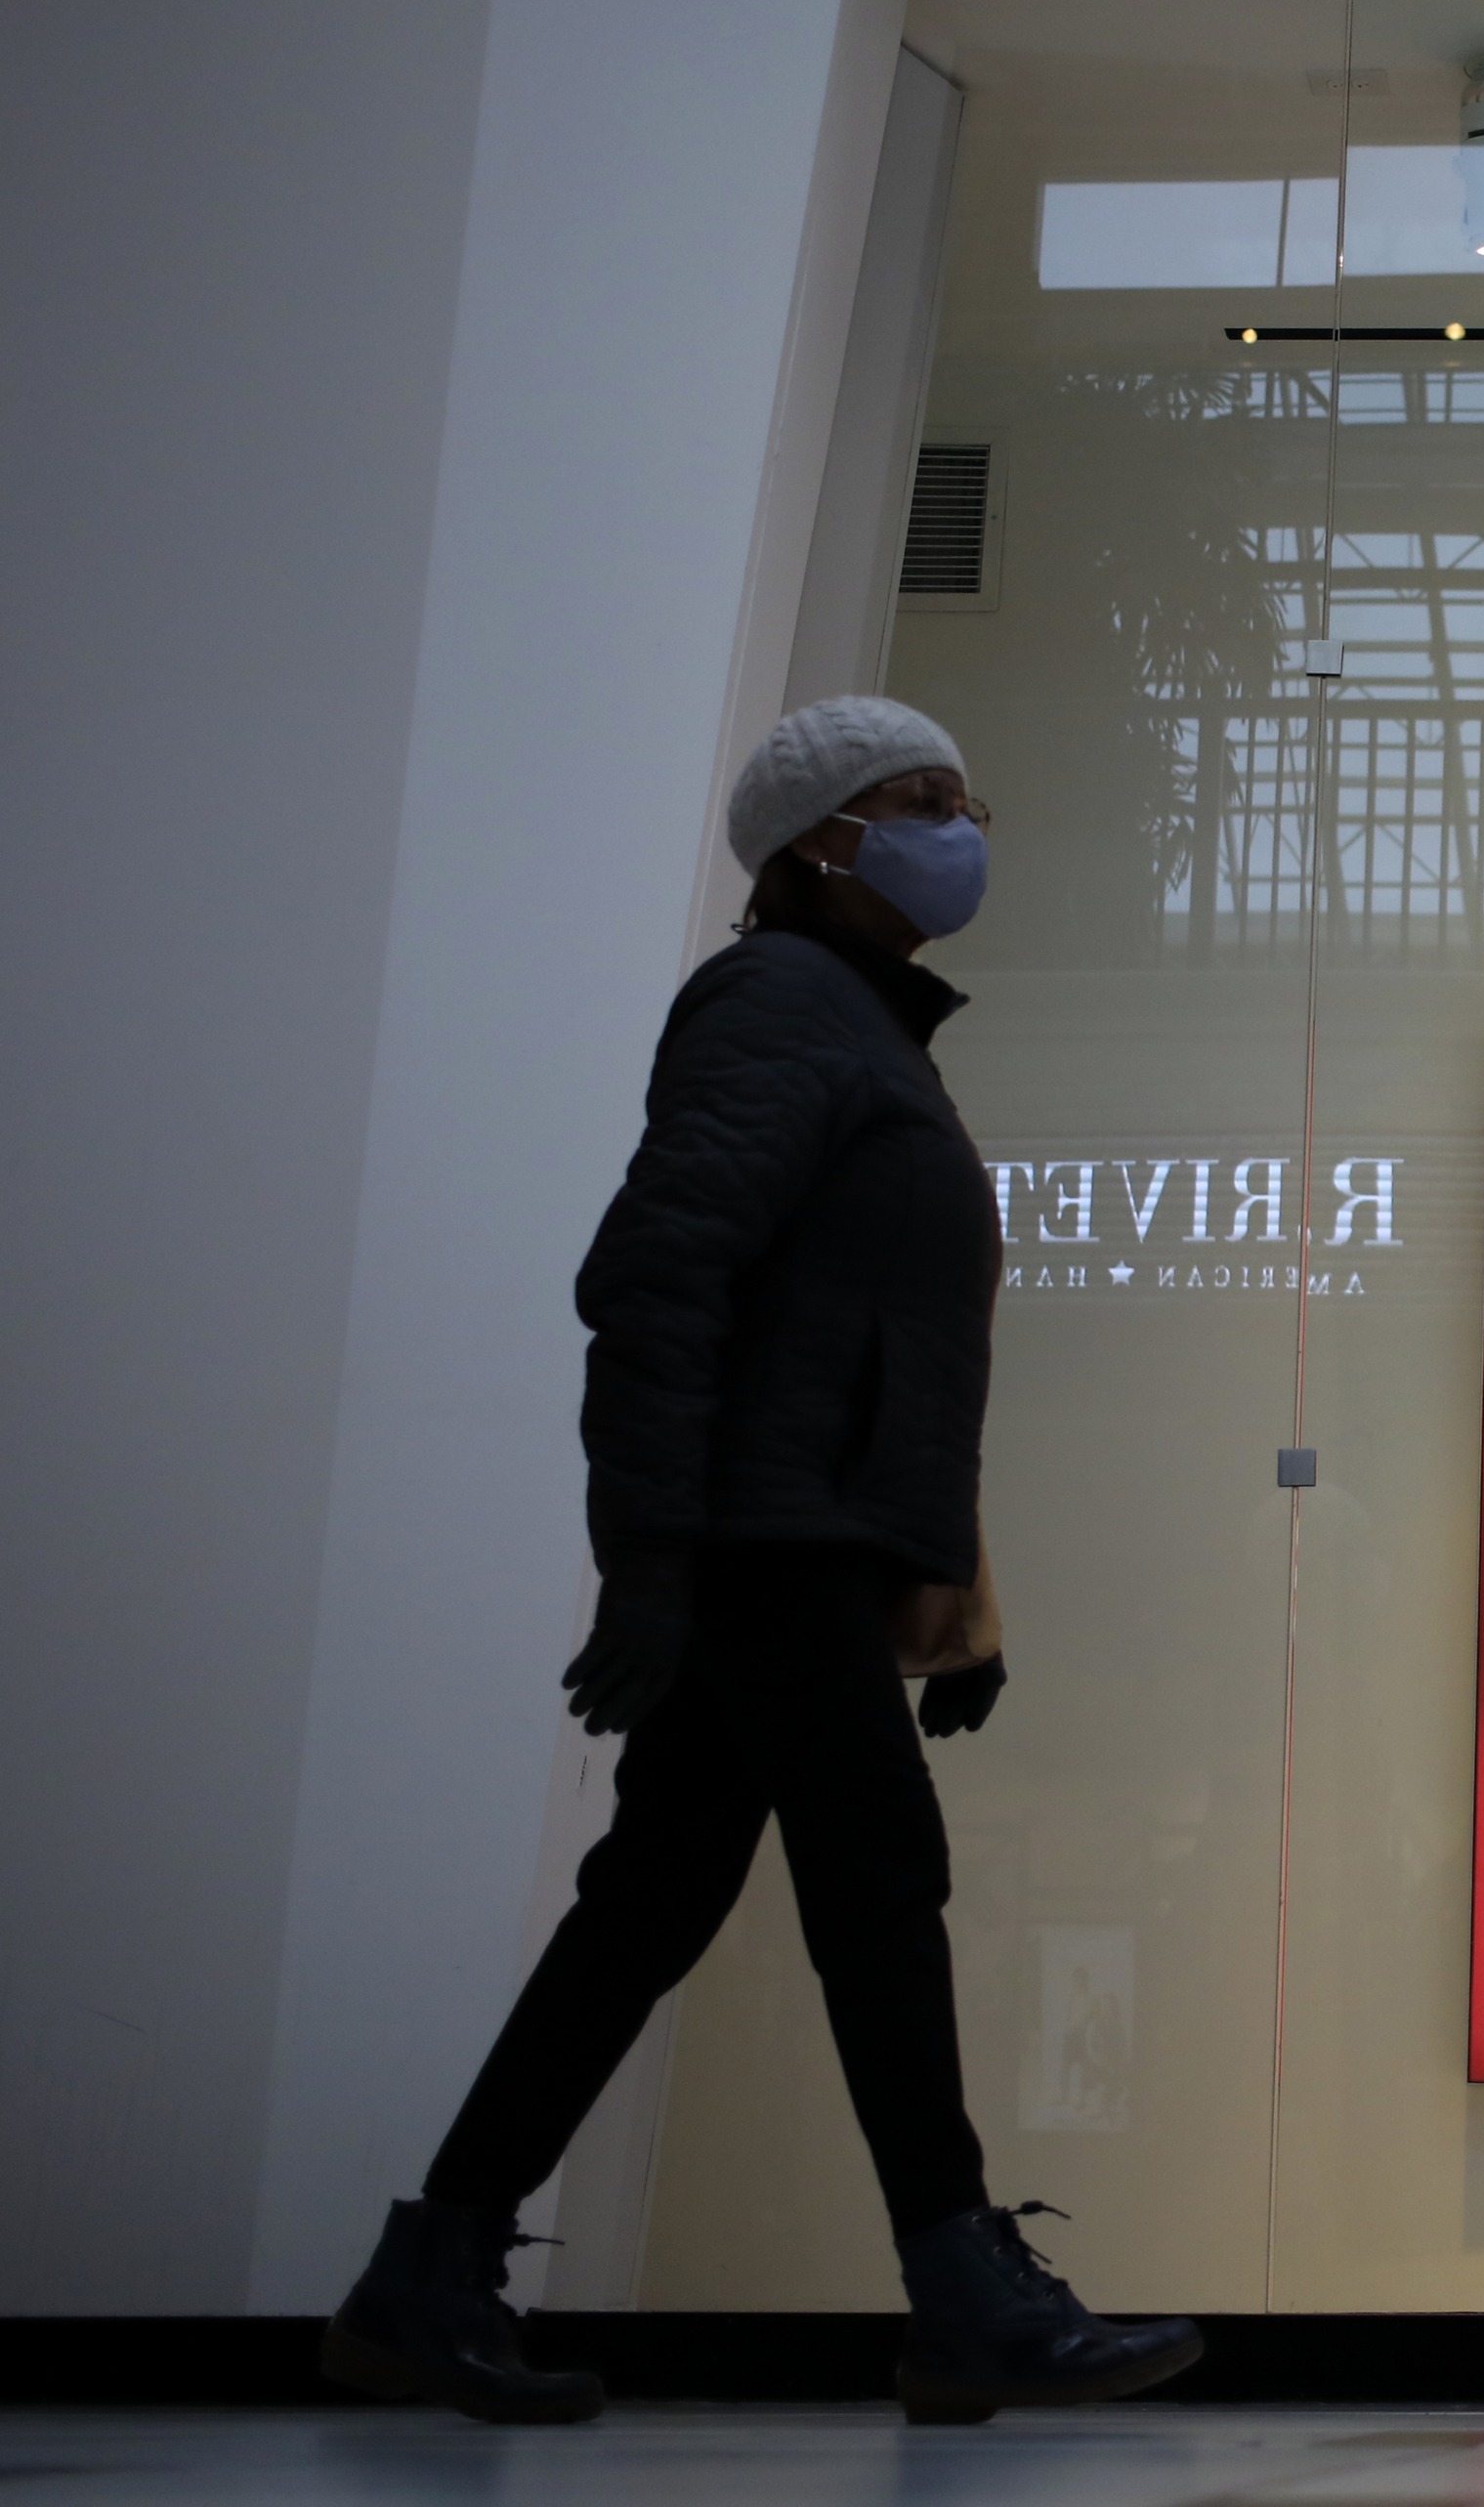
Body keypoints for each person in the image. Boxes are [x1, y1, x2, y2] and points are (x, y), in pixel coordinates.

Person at [318, 698, 1203, 2427]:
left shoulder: (863, 1026)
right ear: (821, 838)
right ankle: (961, 2288)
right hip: (761, 1540)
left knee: (652, 1900)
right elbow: (657, 1277)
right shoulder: (779, 1004)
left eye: (969, 792)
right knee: (879, 1876)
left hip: (807, 1535)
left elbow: (872, 1338)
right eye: (922, 800)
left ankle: (428, 2274)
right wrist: (648, 1559)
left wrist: (954, 1588)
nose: (966, 826)